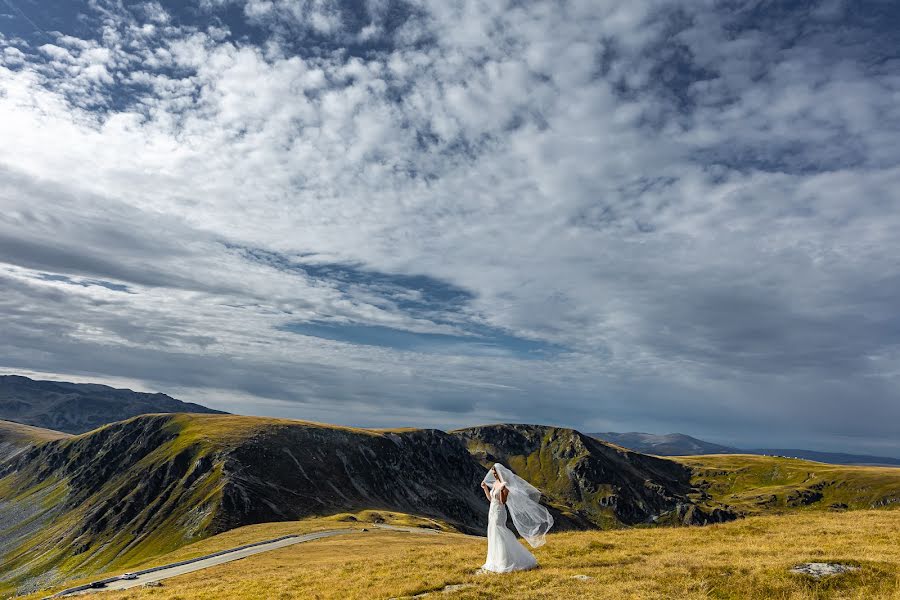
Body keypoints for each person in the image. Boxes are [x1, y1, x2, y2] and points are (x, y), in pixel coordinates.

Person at [479, 463, 553, 573]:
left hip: (499, 511)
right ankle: (495, 560)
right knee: (493, 531)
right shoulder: (495, 483)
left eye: (496, 473)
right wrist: (485, 488)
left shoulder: (504, 484)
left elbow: (502, 501)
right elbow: (491, 499)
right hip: (492, 510)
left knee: (500, 531)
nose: (494, 475)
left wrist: (504, 490)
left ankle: (505, 561)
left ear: (500, 473)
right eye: (493, 473)